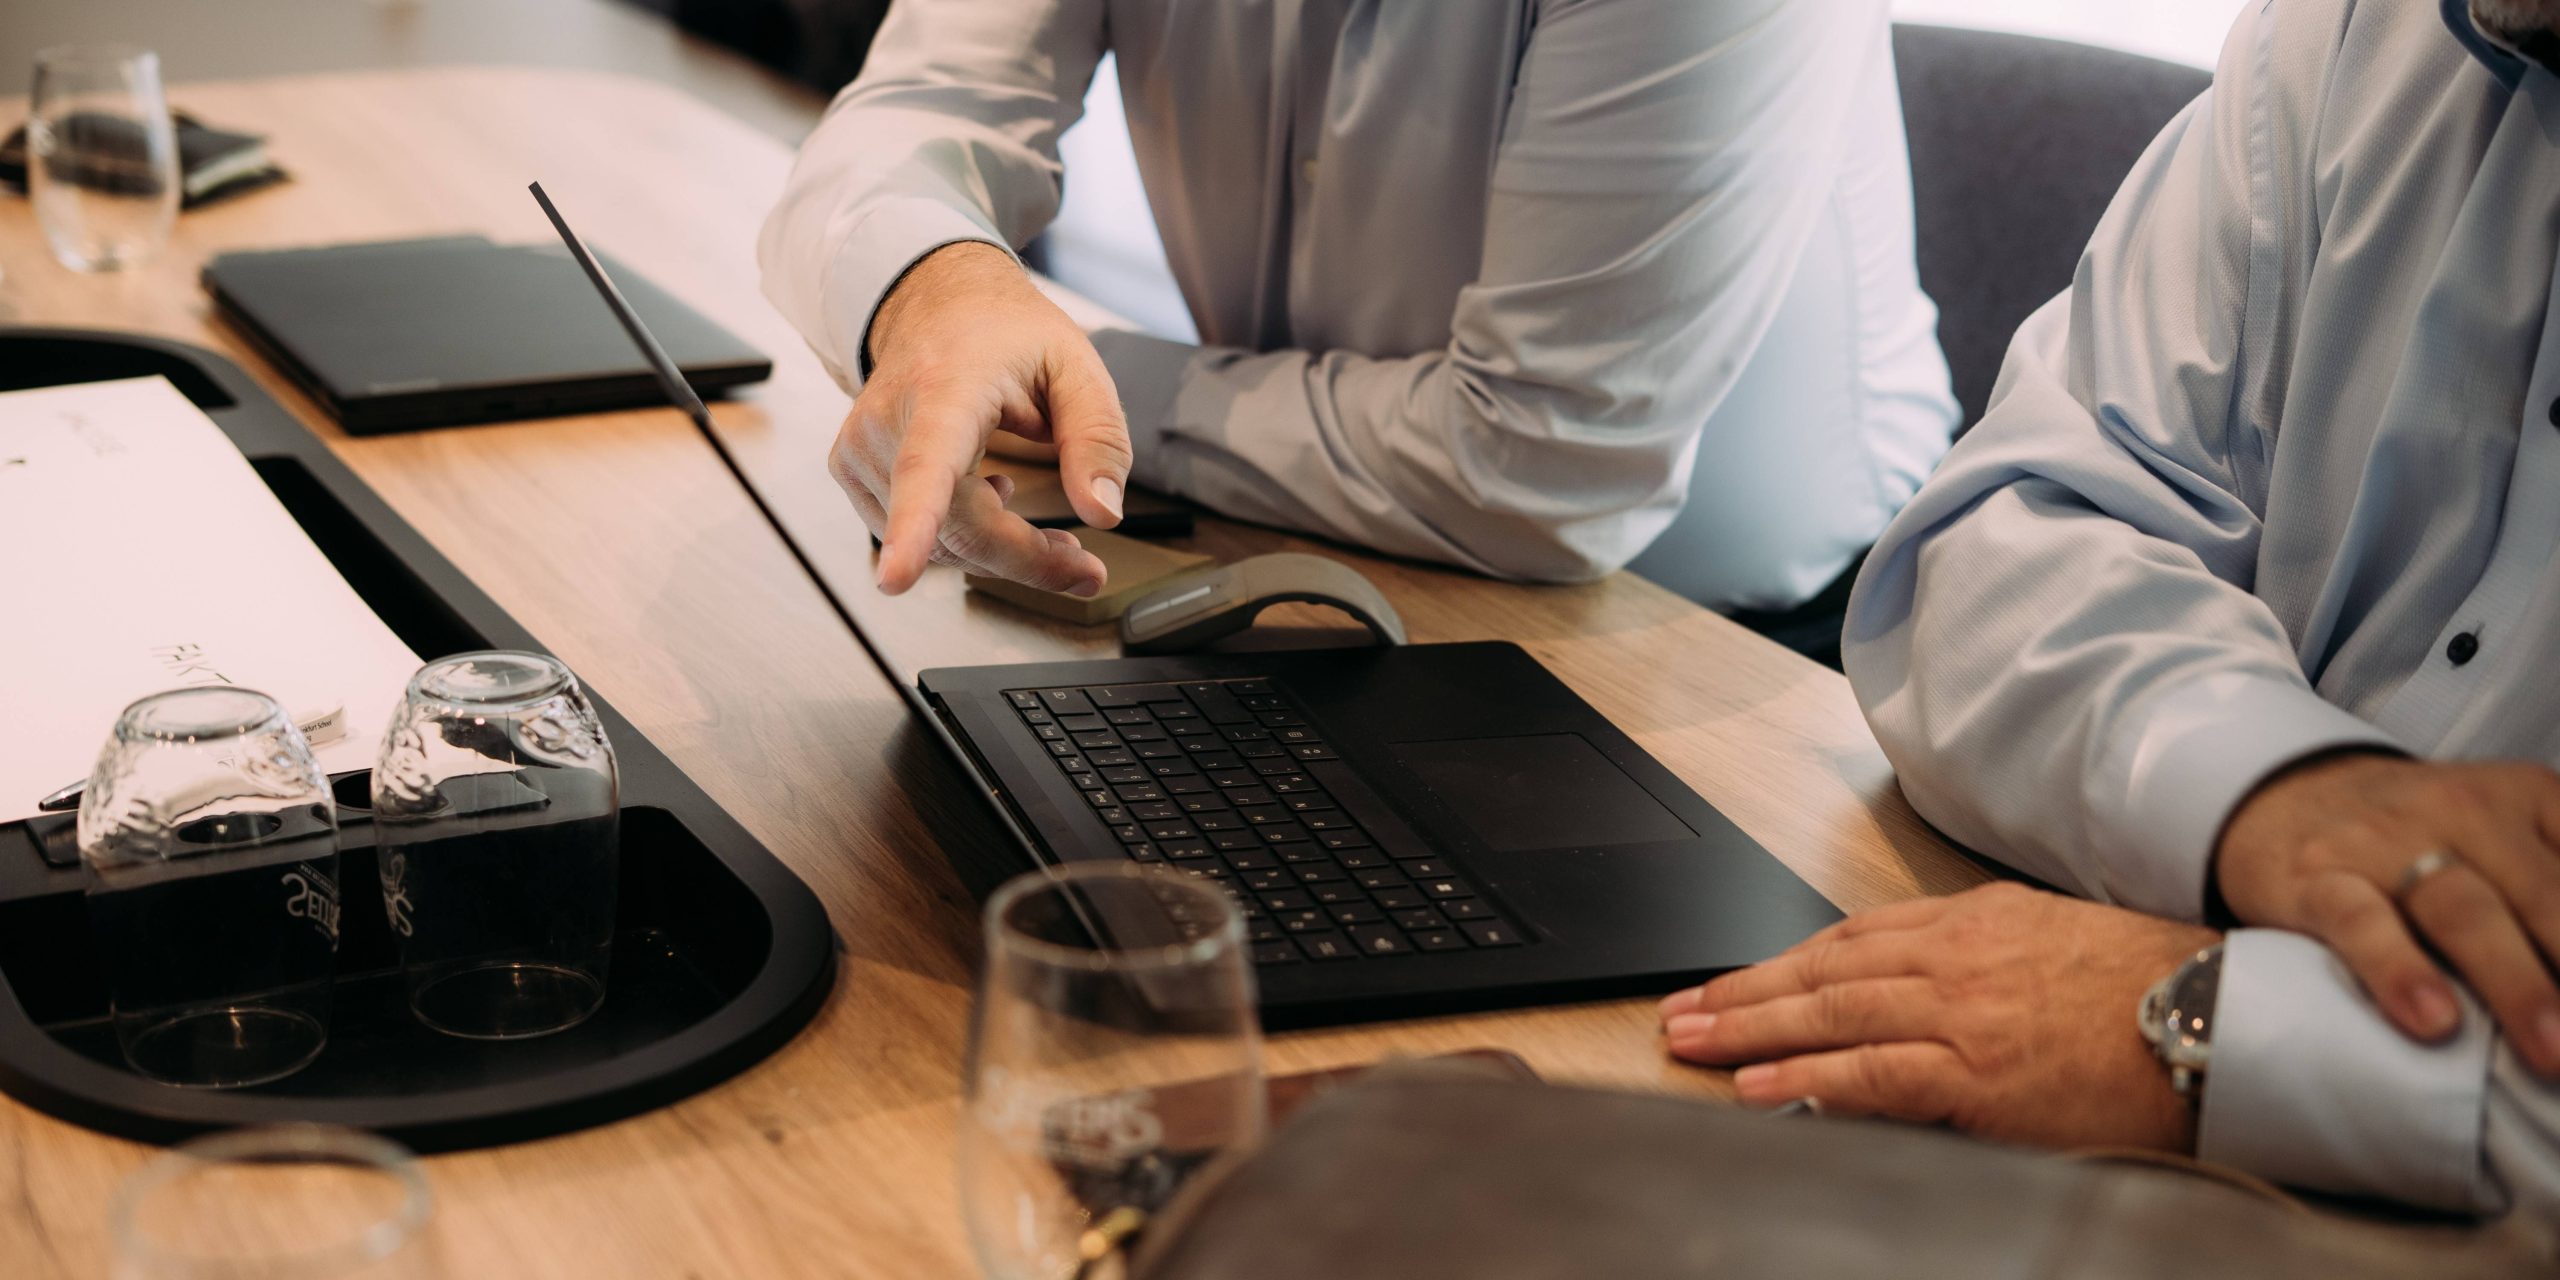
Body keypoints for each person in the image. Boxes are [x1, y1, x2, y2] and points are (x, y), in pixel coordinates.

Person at [1659, 0, 2560, 1223]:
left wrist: (2226, 1037)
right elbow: (1990, 548)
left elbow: (1528, 463)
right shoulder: (2353, 32)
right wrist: (2281, 792)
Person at [757, 0, 1955, 616]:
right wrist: (938, 292)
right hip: (1298, 546)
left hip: (1717, 649)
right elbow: (914, 105)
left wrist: (1096, 384)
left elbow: (1537, 465)